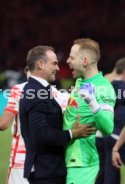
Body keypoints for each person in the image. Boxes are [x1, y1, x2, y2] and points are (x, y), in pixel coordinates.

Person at [19, 45, 95, 184]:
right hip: (46, 172)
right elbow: (40, 135)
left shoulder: (38, 90)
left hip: (48, 170)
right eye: (54, 63)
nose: (58, 68)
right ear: (40, 64)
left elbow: (46, 122)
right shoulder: (36, 93)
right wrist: (72, 133)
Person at [0, 66, 69, 184]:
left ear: (29, 71)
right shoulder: (59, 94)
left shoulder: (19, 89)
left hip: (21, 162)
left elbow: (3, 124)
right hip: (47, 164)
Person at [64, 38, 116, 184]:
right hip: (65, 158)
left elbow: (107, 128)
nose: (68, 61)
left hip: (83, 163)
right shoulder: (80, 82)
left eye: (72, 57)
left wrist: (93, 103)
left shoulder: (104, 88)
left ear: (85, 61)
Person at [100, 57, 125, 184]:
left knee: (109, 173)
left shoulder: (108, 84)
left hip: (108, 134)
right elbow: (124, 97)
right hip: (119, 135)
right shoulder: (118, 85)